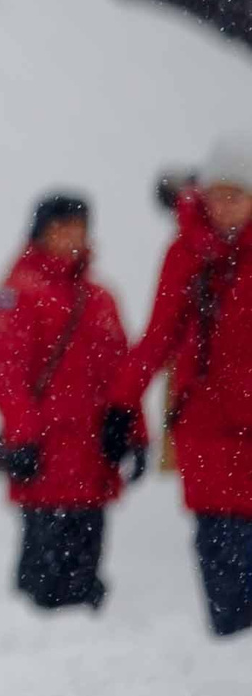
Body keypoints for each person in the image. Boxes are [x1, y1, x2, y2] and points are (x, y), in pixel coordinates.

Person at [118, 137, 252, 637]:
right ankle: (231, 650)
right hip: (205, 429)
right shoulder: (186, 252)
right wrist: (121, 404)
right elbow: (157, 337)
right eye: (217, 194)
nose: (224, 205)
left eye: (236, 194)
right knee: (220, 545)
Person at [0, 192, 134, 612]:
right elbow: (5, 374)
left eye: (77, 227)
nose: (69, 236)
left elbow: (123, 372)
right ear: (40, 232)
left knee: (86, 566)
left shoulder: (101, 298)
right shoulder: (19, 292)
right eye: (59, 227)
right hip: (46, 455)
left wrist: (134, 432)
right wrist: (24, 438)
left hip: (92, 455)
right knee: (44, 573)